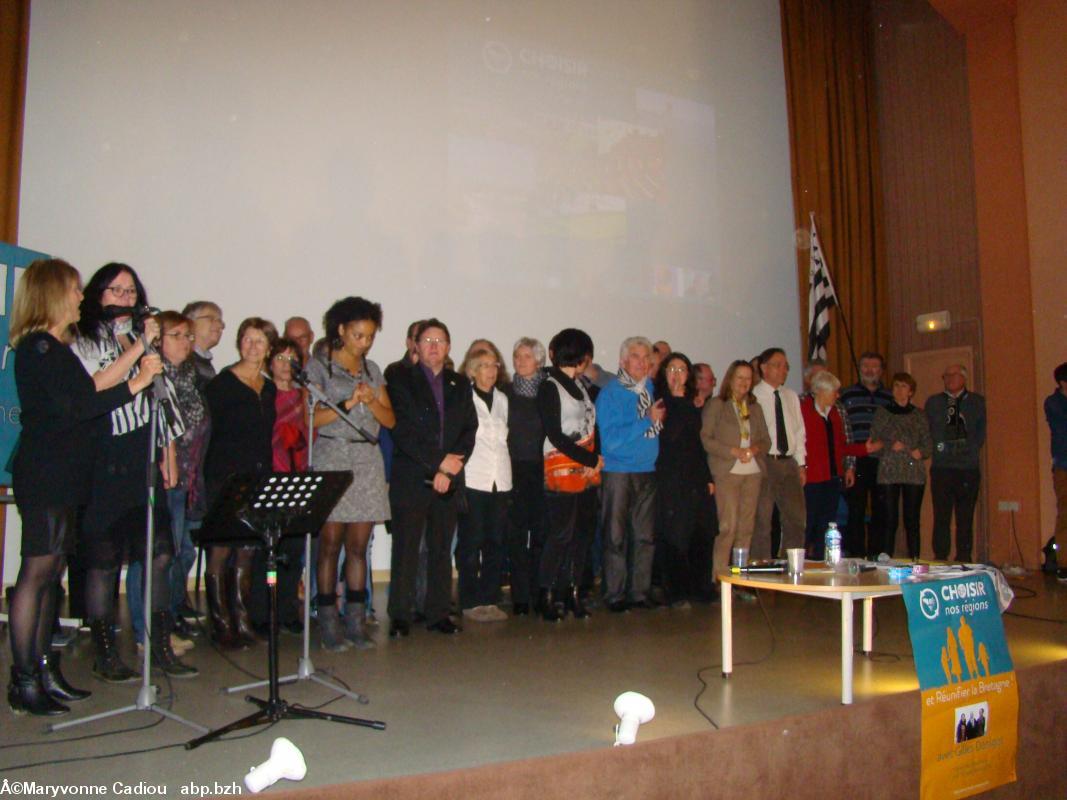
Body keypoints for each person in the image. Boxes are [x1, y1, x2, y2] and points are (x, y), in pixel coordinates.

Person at [6, 260, 161, 715]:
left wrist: (136, 358)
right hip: (47, 474)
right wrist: (136, 386)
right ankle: (24, 680)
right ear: (53, 294)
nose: (80, 296)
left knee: (53, 575)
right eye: (74, 289)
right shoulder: (37, 348)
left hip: (68, 473)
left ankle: (46, 668)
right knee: (35, 575)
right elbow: (78, 407)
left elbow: (94, 385)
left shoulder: (58, 347)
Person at [75, 262, 195, 681]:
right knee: (105, 562)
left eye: (130, 292)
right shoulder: (86, 339)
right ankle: (106, 651)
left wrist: (169, 451)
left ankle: (159, 644)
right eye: (115, 291)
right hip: (107, 458)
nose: (124, 299)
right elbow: (97, 386)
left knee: (160, 552)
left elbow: (159, 395)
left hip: (145, 455)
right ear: (98, 296)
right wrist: (138, 347)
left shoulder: (140, 339)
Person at [306, 297, 394, 650]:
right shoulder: (319, 368)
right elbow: (311, 419)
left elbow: (390, 420)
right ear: (340, 330)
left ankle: (356, 621)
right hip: (332, 459)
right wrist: (349, 402)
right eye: (358, 335)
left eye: (370, 336)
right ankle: (328, 622)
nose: (364, 343)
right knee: (330, 545)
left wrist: (372, 400)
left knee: (359, 547)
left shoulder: (373, 369)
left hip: (367, 460)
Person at [386, 318, 477, 637]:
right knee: (406, 548)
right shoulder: (399, 379)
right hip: (412, 475)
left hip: (449, 477)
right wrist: (439, 463)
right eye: (427, 340)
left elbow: (469, 429)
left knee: (441, 549)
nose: (434, 346)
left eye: (440, 341)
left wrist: (450, 469)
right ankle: (400, 615)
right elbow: (403, 430)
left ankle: (438, 613)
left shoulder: (460, 383)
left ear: (449, 347)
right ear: (415, 345)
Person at [202, 317, 277, 648]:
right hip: (224, 477)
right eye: (247, 339)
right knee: (220, 551)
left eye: (259, 341)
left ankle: (243, 621)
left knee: (247, 551)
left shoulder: (269, 386)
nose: (252, 346)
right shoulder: (222, 384)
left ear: (269, 348)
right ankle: (221, 623)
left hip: (257, 478)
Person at [596, 336, 664, 612]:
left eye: (647, 357)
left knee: (645, 537)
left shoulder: (649, 388)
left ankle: (639, 592)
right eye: (636, 356)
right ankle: (614, 594)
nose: (643, 362)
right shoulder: (610, 393)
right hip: (618, 472)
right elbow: (610, 441)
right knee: (615, 537)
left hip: (647, 470)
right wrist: (646, 420)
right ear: (623, 361)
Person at [537, 328, 601, 620]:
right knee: (560, 536)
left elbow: (591, 425)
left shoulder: (582, 386)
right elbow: (555, 435)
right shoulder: (550, 386)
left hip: (586, 472)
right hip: (561, 471)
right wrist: (588, 457)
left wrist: (595, 458)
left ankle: (573, 593)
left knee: (582, 536)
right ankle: (547, 595)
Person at [248, 337, 309, 637]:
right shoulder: (263, 392)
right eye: (281, 358)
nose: (286, 365)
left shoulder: (304, 396)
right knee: (267, 552)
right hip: (270, 478)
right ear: (270, 362)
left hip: (298, 479)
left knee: (293, 553)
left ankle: (286, 611)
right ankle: (261, 614)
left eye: (292, 358)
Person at [701, 360, 771, 591]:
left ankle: (740, 579)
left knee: (746, 529)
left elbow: (766, 440)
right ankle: (719, 579)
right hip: (727, 472)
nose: (744, 382)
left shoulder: (755, 407)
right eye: (739, 377)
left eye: (748, 378)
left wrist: (754, 450)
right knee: (728, 527)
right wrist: (734, 451)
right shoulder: (716, 405)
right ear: (730, 379)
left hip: (752, 473)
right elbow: (706, 439)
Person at [653, 353, 714, 607]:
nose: (677, 374)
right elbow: (666, 440)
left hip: (695, 476)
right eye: (671, 369)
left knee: (702, 531)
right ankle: (676, 591)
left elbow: (698, 445)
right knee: (675, 533)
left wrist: (708, 477)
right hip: (669, 476)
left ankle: (700, 588)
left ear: (689, 375)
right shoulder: (659, 405)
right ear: (664, 374)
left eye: (681, 369)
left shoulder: (693, 405)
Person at [456, 345, 511, 622]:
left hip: (500, 479)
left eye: (495, 365)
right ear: (473, 370)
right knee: (471, 541)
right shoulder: (463, 397)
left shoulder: (503, 399)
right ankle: (469, 599)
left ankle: (491, 597)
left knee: (495, 541)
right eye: (485, 365)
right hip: (474, 478)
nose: (491, 371)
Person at [799, 371, 865, 558]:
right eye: (834, 391)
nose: (838, 395)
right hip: (811, 478)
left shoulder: (835, 413)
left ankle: (821, 563)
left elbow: (841, 446)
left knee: (827, 525)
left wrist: (864, 449)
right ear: (821, 391)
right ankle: (801, 565)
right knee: (808, 523)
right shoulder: (803, 410)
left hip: (832, 478)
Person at [925, 364, 986, 562]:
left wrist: (966, 449)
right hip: (942, 468)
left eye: (954, 375)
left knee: (965, 517)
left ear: (964, 378)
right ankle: (940, 557)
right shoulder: (934, 402)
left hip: (967, 468)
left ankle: (964, 558)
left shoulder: (977, 402)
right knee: (941, 516)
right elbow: (932, 432)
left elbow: (979, 434)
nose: (950, 378)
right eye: (946, 375)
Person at [868, 372, 932, 559]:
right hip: (889, 470)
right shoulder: (883, 412)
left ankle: (915, 560)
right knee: (890, 520)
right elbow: (873, 441)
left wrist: (919, 451)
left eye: (903, 386)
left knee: (912, 520)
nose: (899, 390)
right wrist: (889, 445)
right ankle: (886, 560)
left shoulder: (919, 414)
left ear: (911, 391)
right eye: (896, 385)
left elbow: (928, 443)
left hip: (913, 471)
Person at [504, 337, 547, 615]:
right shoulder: (504, 392)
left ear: (539, 361)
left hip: (543, 470)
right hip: (513, 469)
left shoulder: (549, 391)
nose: (520, 362)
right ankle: (520, 595)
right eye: (517, 356)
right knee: (516, 535)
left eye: (527, 357)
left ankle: (539, 591)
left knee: (542, 534)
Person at [752, 347, 806, 560]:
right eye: (778, 365)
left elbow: (798, 431)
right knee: (762, 520)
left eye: (786, 366)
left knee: (796, 519)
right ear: (764, 368)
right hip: (765, 461)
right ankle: (760, 569)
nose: (783, 370)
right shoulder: (754, 396)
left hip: (789, 462)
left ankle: (790, 566)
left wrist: (801, 463)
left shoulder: (790, 396)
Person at [840, 352, 893, 558]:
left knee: (881, 511)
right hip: (856, 461)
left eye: (875, 367)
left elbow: (895, 429)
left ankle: (876, 555)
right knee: (856, 511)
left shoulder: (888, 397)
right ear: (859, 369)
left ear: (881, 371)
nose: (870, 371)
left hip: (883, 461)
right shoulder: (847, 395)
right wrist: (849, 463)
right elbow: (843, 431)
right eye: (866, 366)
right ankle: (856, 556)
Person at [1044, 362, 1067, 582]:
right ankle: (1064, 564)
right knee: (1065, 515)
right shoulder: (1054, 403)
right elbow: (1062, 430)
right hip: (1064, 467)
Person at [181, 301, 225, 389]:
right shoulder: (182, 360)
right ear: (190, 323)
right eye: (211, 319)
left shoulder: (205, 363)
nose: (219, 325)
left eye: (220, 321)